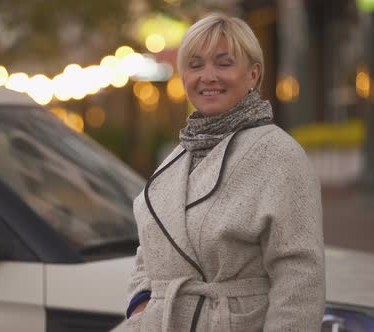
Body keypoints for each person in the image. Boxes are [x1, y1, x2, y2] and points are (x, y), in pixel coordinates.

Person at [125, 13, 325, 331]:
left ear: (253, 74)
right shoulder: (177, 155)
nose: (208, 76)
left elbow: (299, 277)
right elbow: (148, 248)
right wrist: (141, 305)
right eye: (195, 65)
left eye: (224, 63)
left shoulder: (279, 155)